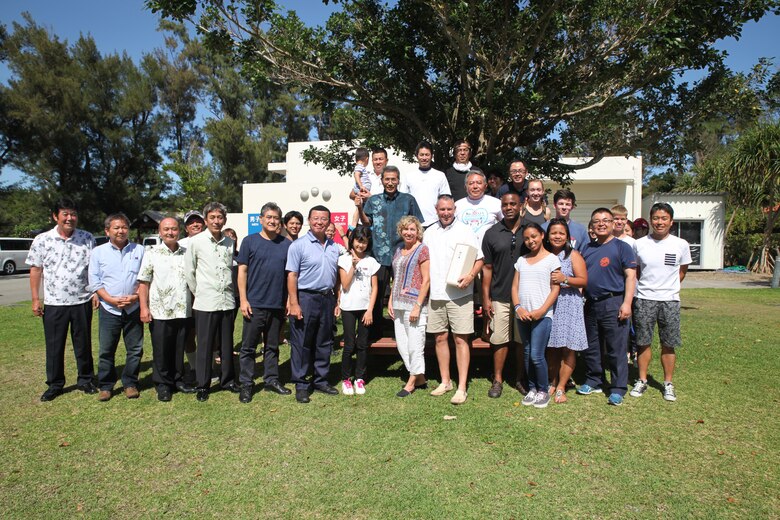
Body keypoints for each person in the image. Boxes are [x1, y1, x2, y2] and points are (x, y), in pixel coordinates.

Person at [26, 198, 97, 402]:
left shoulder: (87, 238)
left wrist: (94, 293)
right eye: (65, 214)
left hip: (81, 300)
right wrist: (35, 299)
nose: (70, 218)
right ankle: (55, 384)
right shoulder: (42, 239)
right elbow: (36, 269)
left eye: (73, 214)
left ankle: (85, 379)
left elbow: (93, 268)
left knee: (83, 344)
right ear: (55, 216)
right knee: (55, 345)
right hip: (55, 303)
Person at [424, 194, 484, 405]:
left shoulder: (465, 230)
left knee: (460, 340)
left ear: (454, 210)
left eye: (449, 209)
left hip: (460, 295)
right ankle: (445, 381)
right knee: (440, 338)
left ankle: (462, 386)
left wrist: (470, 277)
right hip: (437, 293)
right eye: (442, 209)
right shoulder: (429, 232)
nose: (446, 213)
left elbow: (479, 259)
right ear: (436, 209)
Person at [630, 202, 691, 402]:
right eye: (656, 218)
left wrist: (667, 287)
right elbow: (636, 272)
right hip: (645, 299)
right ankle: (642, 379)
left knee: (669, 343)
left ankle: (668, 383)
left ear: (671, 221)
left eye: (664, 218)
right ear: (650, 220)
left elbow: (681, 272)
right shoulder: (639, 244)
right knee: (643, 342)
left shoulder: (680, 244)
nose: (659, 222)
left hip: (670, 300)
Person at [578, 208, 637, 406]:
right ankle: (594, 379)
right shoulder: (586, 248)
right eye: (597, 221)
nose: (601, 224)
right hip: (591, 303)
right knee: (592, 346)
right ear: (592, 226)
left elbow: (631, 276)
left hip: (614, 302)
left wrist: (627, 303)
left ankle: (618, 387)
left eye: (605, 220)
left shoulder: (622, 247)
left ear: (613, 223)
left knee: (616, 347)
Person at [356, 165, 423, 338]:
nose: (390, 182)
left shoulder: (408, 200)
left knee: (405, 293)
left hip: (404, 254)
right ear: (382, 180)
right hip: (379, 255)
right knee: (377, 294)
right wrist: (359, 208)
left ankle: (404, 331)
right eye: (387, 179)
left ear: (398, 180)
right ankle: (376, 331)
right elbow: (366, 223)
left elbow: (418, 226)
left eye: (394, 179)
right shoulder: (374, 200)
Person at [236, 202, 292, 403]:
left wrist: (288, 300)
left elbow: (289, 276)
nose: (272, 221)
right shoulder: (249, 241)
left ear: (280, 221)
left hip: (276, 304)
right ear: (261, 219)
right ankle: (247, 384)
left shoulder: (286, 245)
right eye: (268, 217)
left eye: (276, 218)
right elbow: (242, 271)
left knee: (272, 346)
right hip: (254, 303)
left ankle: (271, 380)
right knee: (248, 348)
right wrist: (243, 299)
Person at [286, 205, 341, 404]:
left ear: (329, 221)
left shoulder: (334, 247)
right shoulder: (298, 245)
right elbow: (292, 275)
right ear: (309, 220)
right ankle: (301, 384)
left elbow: (338, 274)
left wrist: (337, 298)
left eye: (323, 219)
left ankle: (321, 380)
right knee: (302, 342)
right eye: (315, 218)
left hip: (327, 298)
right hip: (305, 298)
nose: (319, 222)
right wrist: (294, 302)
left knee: (324, 340)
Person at [184, 202, 238, 402]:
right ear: (206, 220)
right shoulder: (196, 242)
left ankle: (227, 380)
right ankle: (203, 384)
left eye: (220, 217)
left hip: (226, 301)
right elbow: (189, 272)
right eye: (212, 217)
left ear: (224, 220)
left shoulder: (229, 242)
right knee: (205, 345)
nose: (216, 221)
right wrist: (199, 292)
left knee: (226, 343)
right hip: (205, 302)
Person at [89, 213, 145, 401]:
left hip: (133, 307)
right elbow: (95, 281)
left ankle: (130, 383)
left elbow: (146, 279)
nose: (121, 231)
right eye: (116, 227)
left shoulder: (139, 250)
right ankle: (106, 385)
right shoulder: (98, 252)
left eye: (124, 227)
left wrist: (136, 297)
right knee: (106, 349)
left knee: (135, 349)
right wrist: (110, 300)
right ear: (107, 231)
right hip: (109, 308)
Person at [137, 217, 195, 401]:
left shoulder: (187, 253)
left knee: (179, 348)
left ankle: (178, 379)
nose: (170, 232)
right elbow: (144, 283)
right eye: (166, 229)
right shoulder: (152, 253)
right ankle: (163, 384)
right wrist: (144, 308)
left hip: (183, 310)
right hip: (160, 311)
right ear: (160, 231)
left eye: (174, 229)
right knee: (162, 350)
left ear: (179, 231)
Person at [481, 192, 526, 398]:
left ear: (520, 206)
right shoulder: (492, 233)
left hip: (526, 297)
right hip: (499, 295)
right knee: (499, 339)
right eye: (505, 204)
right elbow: (487, 269)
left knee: (520, 340)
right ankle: (497, 379)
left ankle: (519, 378)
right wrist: (486, 297)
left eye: (513, 204)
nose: (509, 207)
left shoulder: (531, 230)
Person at [512, 223, 561, 409]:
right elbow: (514, 287)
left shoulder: (552, 260)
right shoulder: (522, 260)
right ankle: (532, 388)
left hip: (543, 315)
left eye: (534, 236)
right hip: (523, 315)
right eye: (526, 238)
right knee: (526, 352)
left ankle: (542, 390)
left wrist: (542, 310)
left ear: (542, 235)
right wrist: (518, 308)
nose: (531, 241)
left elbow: (555, 289)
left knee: (536, 355)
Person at [545, 218, 588, 404]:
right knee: (552, 348)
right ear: (547, 235)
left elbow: (583, 280)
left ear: (567, 236)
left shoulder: (573, 255)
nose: (557, 236)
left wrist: (565, 278)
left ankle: (562, 386)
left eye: (561, 233)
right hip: (550, 305)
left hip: (569, 305)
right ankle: (551, 382)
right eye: (554, 233)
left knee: (568, 349)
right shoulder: (543, 254)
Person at [389, 216, 430, 397]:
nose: (408, 232)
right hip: (398, 303)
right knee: (402, 344)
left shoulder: (422, 250)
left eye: (412, 229)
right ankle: (420, 378)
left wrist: (417, 306)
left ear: (418, 231)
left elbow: (426, 280)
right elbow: (395, 278)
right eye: (405, 229)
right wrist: (391, 299)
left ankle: (411, 381)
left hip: (414, 305)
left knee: (415, 344)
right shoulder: (399, 250)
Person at [337, 225, 380, 395]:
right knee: (349, 345)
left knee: (362, 344)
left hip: (365, 309)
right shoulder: (344, 259)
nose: (360, 245)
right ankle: (346, 379)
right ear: (352, 241)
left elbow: (374, 288)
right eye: (358, 241)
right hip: (348, 307)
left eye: (364, 242)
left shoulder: (371, 262)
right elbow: (345, 285)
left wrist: (370, 310)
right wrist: (353, 267)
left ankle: (360, 378)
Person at [178, 209, 205, 382]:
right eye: (190, 222)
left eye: (198, 221)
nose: (195, 224)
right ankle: (194, 367)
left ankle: (209, 367)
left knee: (208, 334)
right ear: (186, 227)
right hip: (186, 295)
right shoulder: (180, 245)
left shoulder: (211, 241)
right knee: (189, 334)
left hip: (206, 295)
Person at [401, 141, 450, 226]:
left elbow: (446, 199)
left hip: (435, 223)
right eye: (421, 155)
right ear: (417, 156)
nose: (424, 158)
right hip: (414, 224)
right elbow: (403, 200)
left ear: (431, 156)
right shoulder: (409, 176)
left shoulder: (440, 175)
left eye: (427, 155)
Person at [454, 170, 503, 246]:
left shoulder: (496, 203)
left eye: (479, 183)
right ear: (465, 187)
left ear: (485, 186)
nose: (475, 186)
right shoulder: (457, 205)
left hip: (488, 250)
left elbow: (506, 225)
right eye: (471, 183)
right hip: (464, 250)